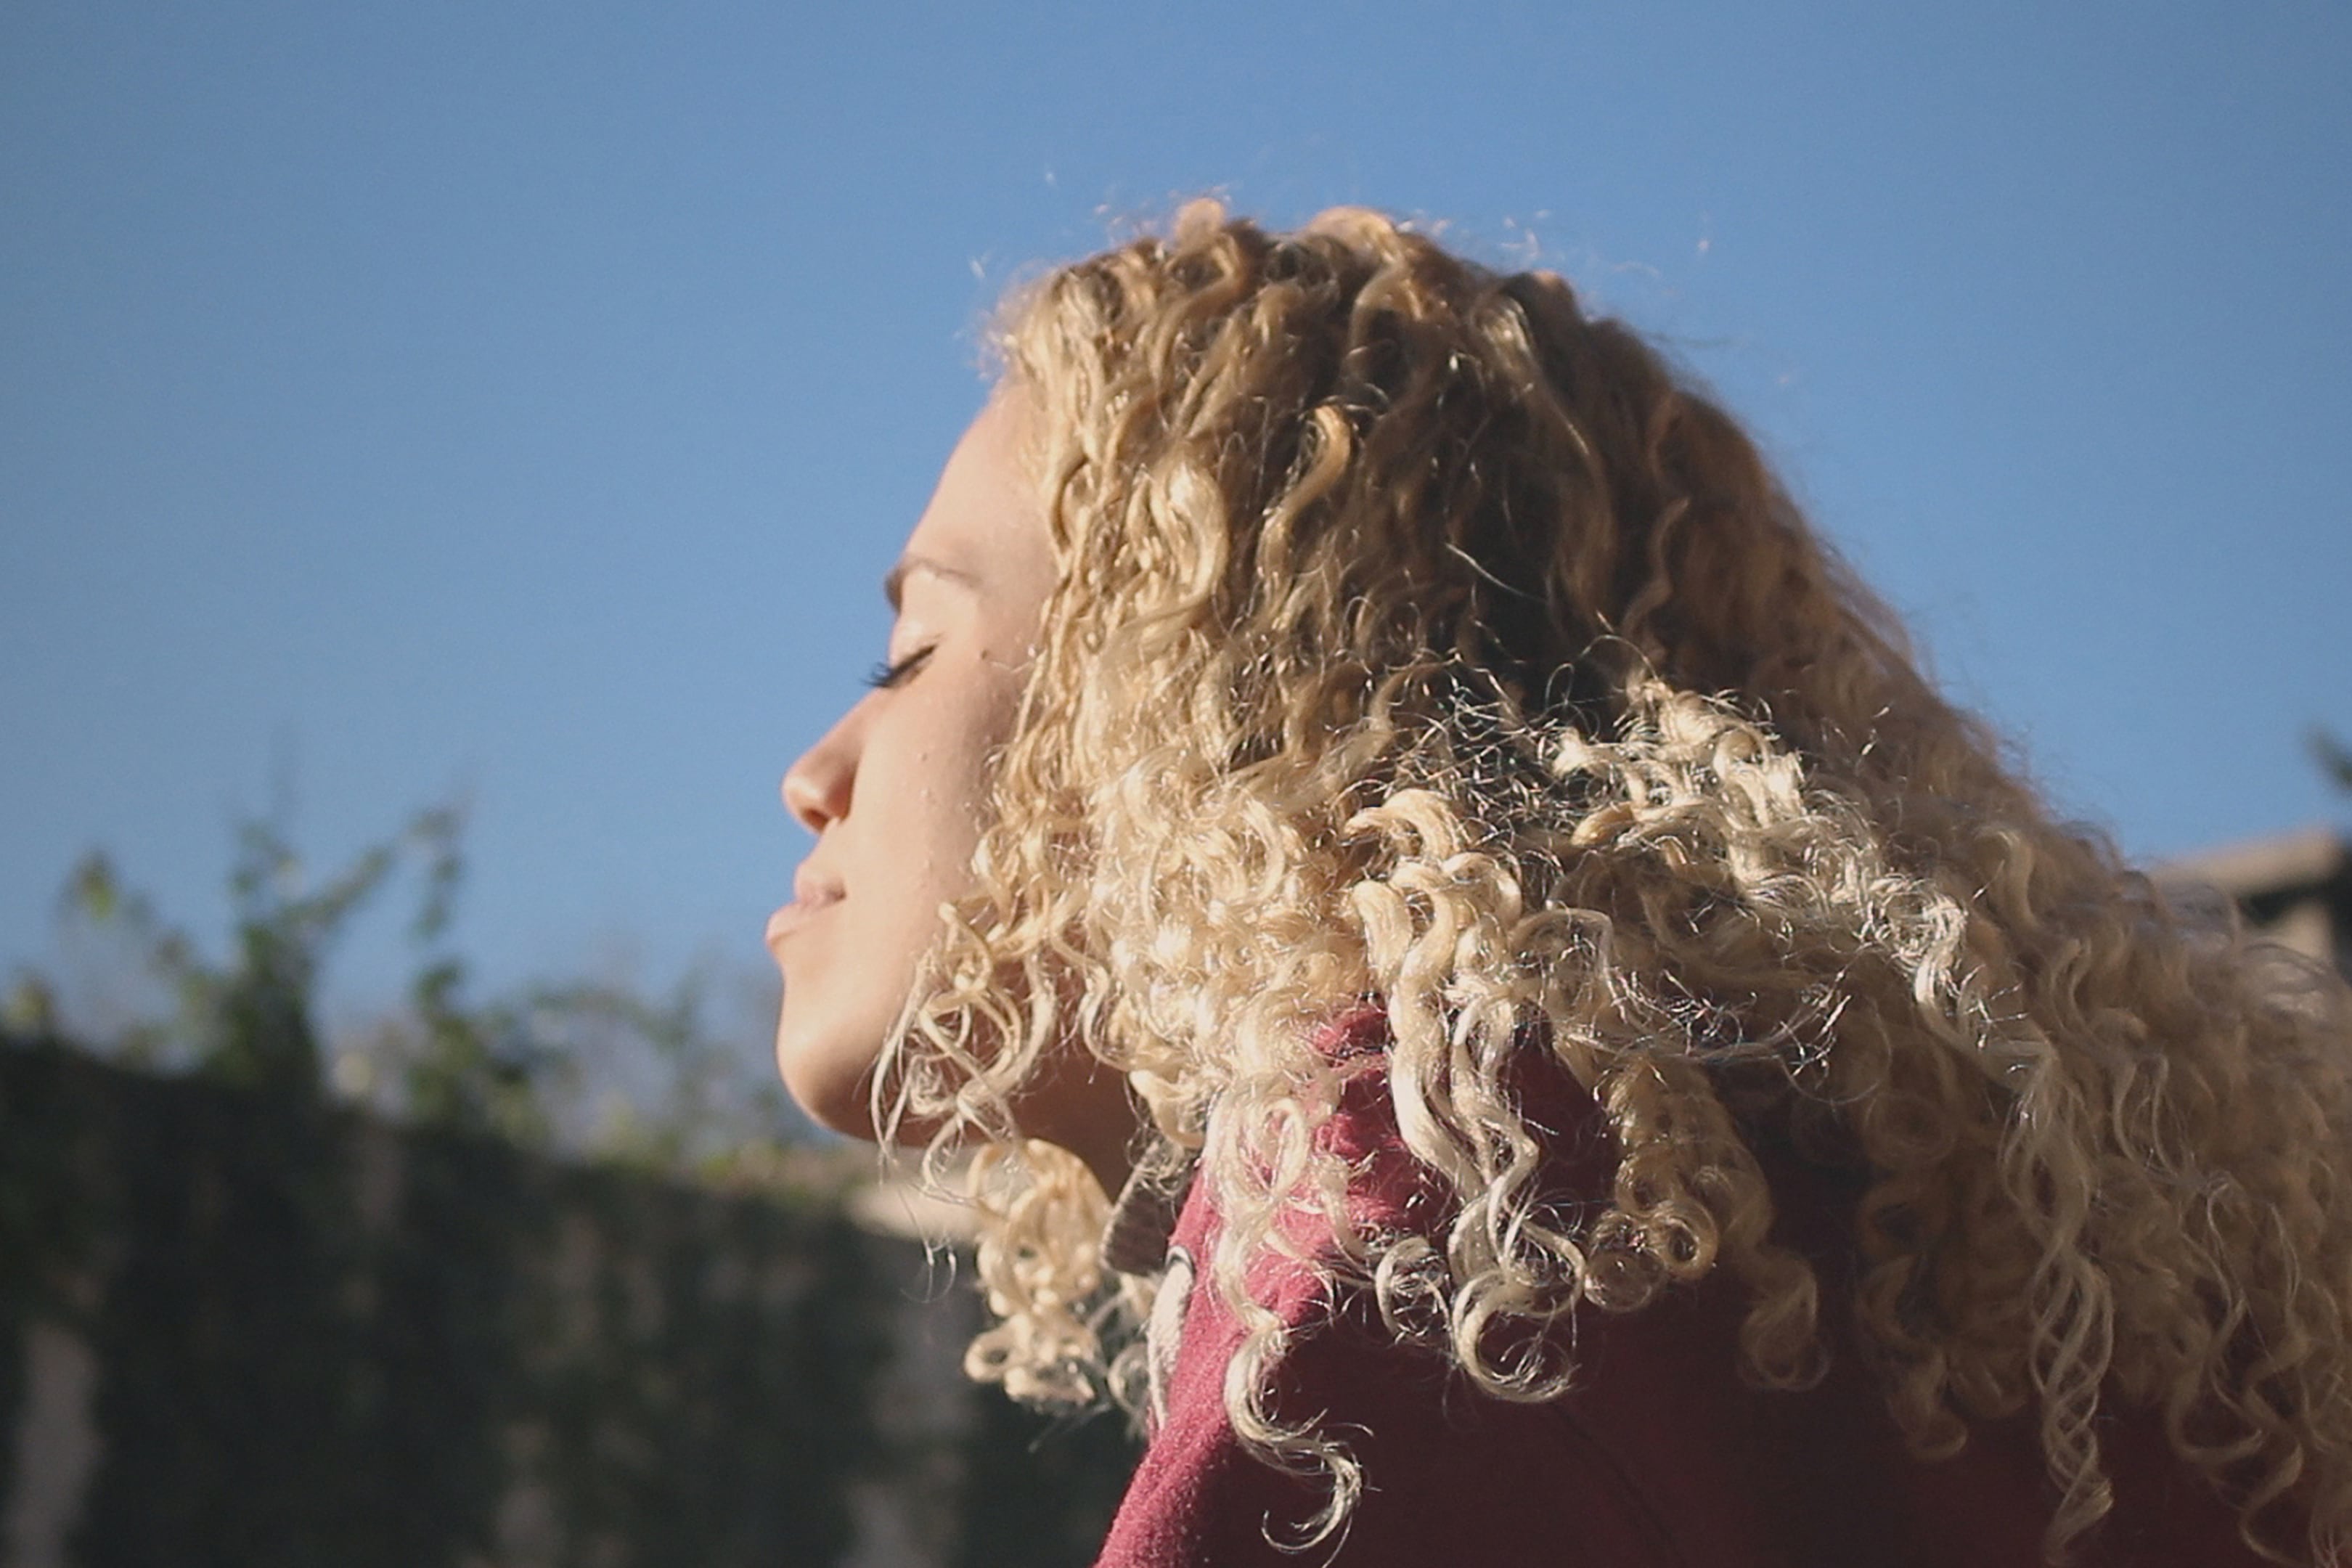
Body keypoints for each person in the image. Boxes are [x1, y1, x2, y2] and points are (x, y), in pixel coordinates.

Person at [766, 202, 2352, 1566]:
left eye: (910, 651)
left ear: (1208, 706)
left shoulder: (1437, 1256)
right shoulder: (1891, 1267)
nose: (811, 772)